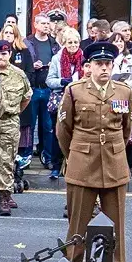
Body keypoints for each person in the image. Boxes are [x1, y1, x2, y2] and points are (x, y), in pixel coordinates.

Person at [57, 39, 132, 262]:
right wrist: (75, 155)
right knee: (77, 225)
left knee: (116, 228)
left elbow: (126, 130)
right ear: (88, 66)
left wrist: (113, 150)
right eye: (98, 64)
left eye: (107, 64)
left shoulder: (124, 92)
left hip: (114, 164)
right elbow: (63, 131)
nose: (103, 68)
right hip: (82, 164)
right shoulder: (74, 91)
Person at [0, 39, 30, 214]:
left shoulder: (19, 74)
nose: (1, 57)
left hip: (9, 121)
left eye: (4, 53)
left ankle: (4, 197)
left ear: (9, 54)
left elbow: (26, 97)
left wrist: (14, 111)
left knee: (6, 160)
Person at [45, 27, 83, 182]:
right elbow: (49, 80)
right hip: (61, 98)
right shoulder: (57, 58)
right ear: (64, 43)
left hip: (79, 98)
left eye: (75, 42)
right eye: (69, 42)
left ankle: (74, 166)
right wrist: (62, 81)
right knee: (59, 133)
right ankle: (56, 165)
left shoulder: (85, 57)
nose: (73, 45)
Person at [23, 12, 59, 166]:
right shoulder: (27, 42)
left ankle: (48, 157)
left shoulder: (54, 43)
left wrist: (53, 65)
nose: (46, 26)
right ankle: (27, 157)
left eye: (47, 23)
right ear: (35, 25)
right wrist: (33, 65)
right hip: (33, 88)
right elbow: (23, 63)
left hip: (48, 89)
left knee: (48, 126)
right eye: (43, 23)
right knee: (29, 125)